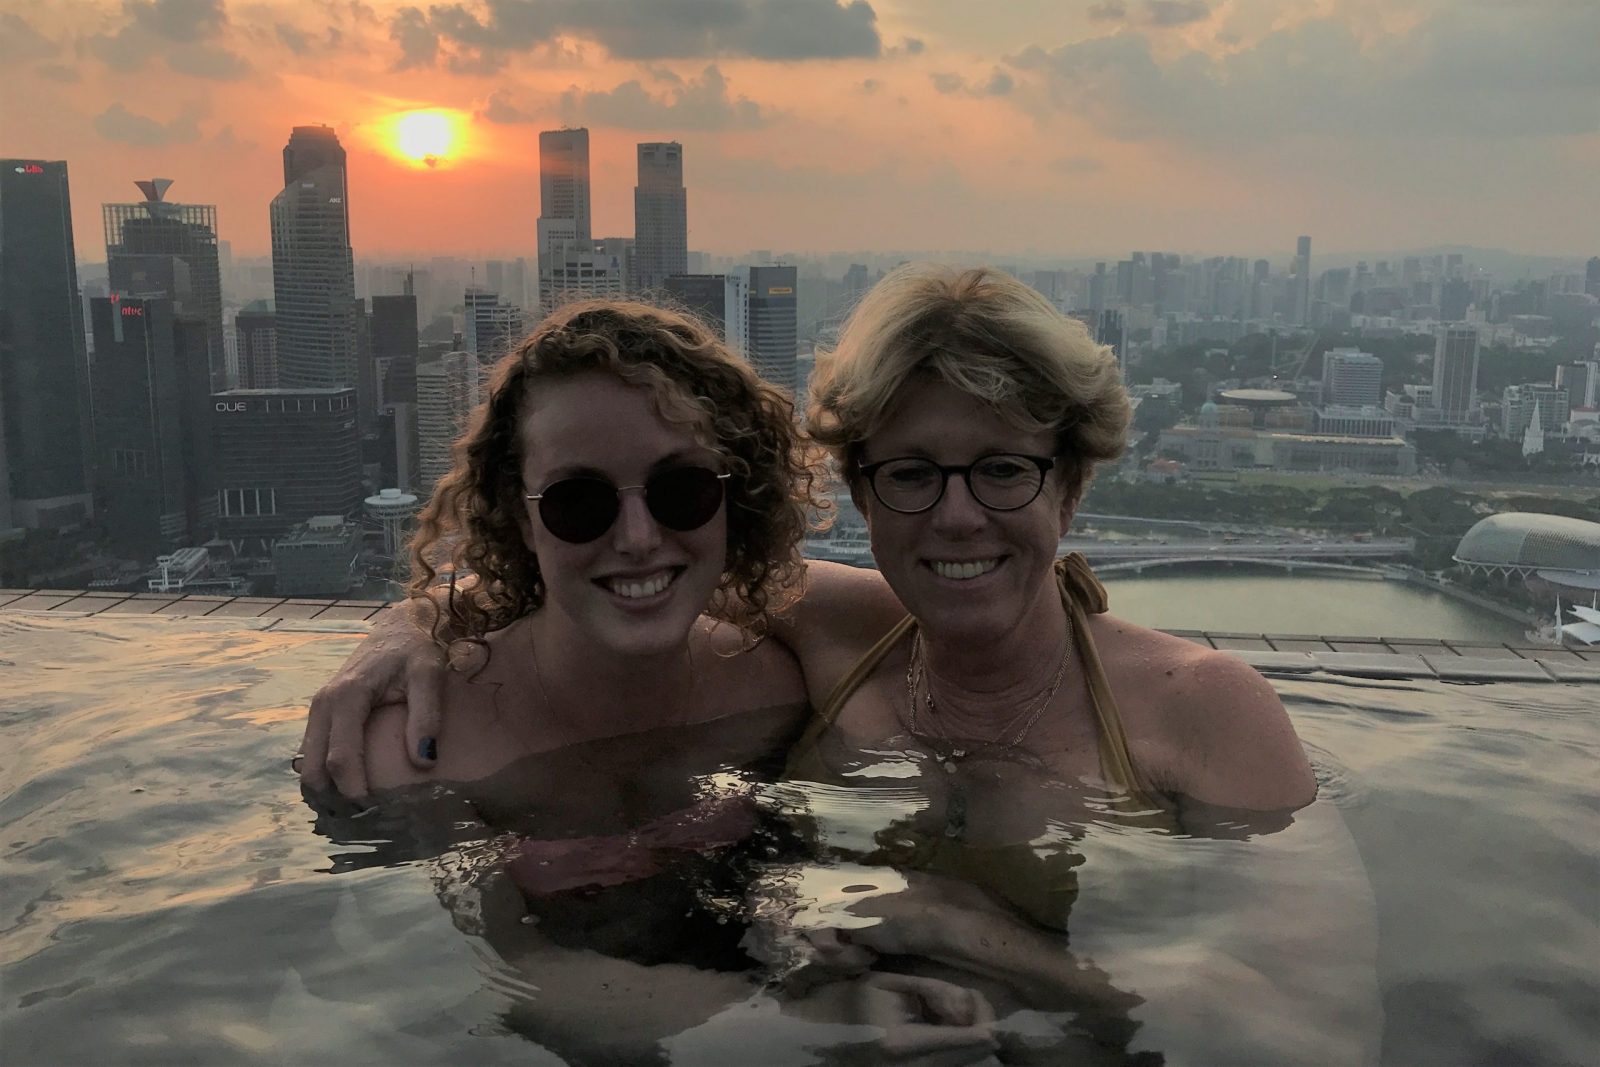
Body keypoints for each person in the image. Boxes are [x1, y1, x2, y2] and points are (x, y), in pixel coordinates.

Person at [302, 266, 1378, 1062]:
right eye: (911, 474)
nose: (957, 517)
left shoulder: (1202, 708)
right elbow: (622, 574)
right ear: (864, 494)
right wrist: (414, 625)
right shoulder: (837, 631)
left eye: (1003, 469)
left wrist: (979, 935)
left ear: (1071, 482)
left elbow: (1314, 1026)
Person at [318, 297, 1007, 1064]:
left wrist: (839, 953)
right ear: (519, 514)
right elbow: (490, 977)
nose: (639, 538)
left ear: (734, 493)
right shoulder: (418, 743)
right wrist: (824, 1024)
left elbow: (1024, 637)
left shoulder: (784, 683)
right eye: (579, 502)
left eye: (682, 489)